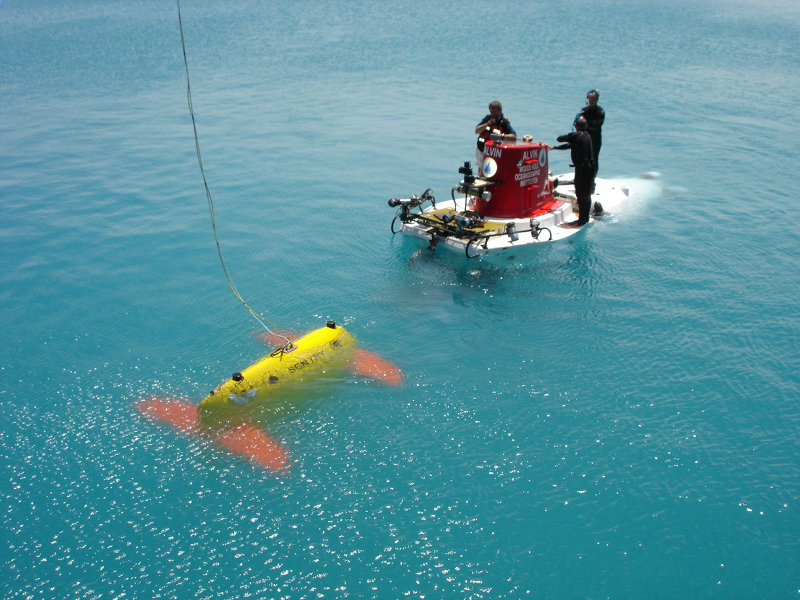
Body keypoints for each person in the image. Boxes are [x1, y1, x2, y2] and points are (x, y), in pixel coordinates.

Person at [551, 116, 594, 227]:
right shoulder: (587, 136)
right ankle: (585, 218)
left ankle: (581, 220)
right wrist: (555, 148)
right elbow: (569, 145)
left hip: (582, 169)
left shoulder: (576, 135)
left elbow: (560, 138)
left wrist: (570, 135)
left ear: (576, 126)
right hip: (590, 168)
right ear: (586, 126)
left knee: (580, 193)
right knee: (587, 193)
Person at [577, 89, 604, 180]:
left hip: (595, 140)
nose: (591, 101)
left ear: (597, 100)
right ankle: (583, 177)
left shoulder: (600, 111)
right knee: (582, 158)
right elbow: (577, 123)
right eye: (590, 99)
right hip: (585, 139)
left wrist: (585, 126)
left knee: (594, 159)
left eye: (594, 99)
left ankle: (592, 178)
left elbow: (597, 125)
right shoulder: (583, 111)